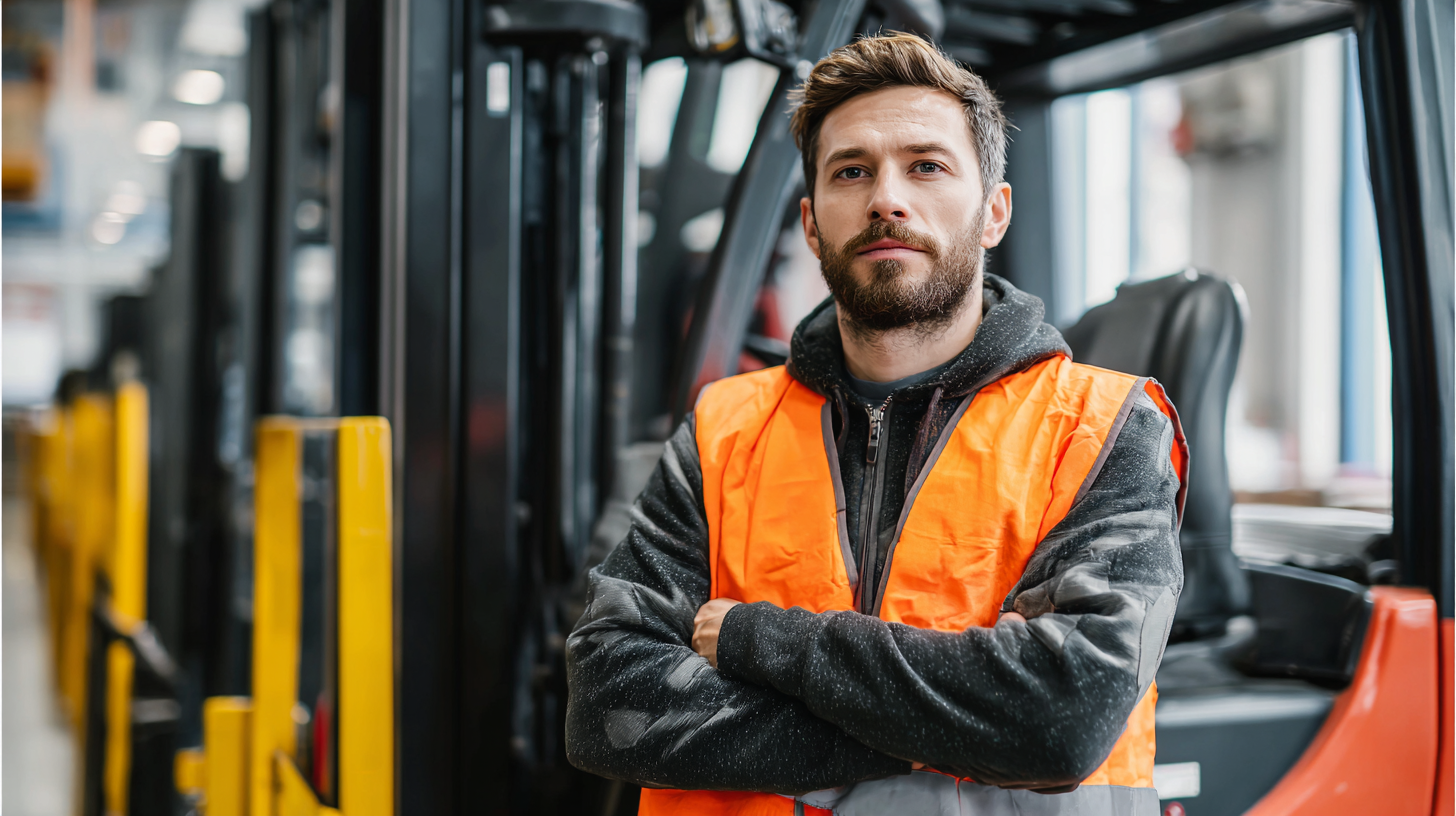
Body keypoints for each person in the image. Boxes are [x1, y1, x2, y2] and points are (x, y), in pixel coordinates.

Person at [565, 32, 1187, 816]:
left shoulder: (1102, 429)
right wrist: (967, 725)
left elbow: (1060, 719)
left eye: (926, 167)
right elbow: (610, 707)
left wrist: (762, 641)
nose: (886, 198)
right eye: (851, 171)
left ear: (994, 213)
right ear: (812, 224)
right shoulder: (723, 431)